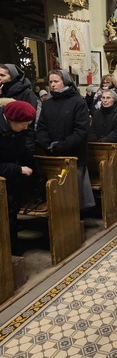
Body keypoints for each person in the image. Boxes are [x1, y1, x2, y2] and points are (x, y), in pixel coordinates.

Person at [36, 69, 95, 211]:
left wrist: (61, 145)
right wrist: (46, 143)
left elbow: (81, 130)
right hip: (52, 154)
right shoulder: (47, 103)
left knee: (73, 194)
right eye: (50, 82)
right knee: (55, 192)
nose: (53, 85)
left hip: (73, 154)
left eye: (56, 81)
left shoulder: (78, 102)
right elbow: (41, 127)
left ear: (66, 82)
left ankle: (74, 221)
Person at [0, 100, 36, 254]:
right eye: (24, 124)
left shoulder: (18, 130)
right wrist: (18, 169)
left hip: (12, 182)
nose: (26, 127)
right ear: (12, 121)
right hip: (4, 179)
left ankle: (13, 251)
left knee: (11, 216)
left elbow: (22, 152)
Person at [89, 89, 117, 191]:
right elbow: (92, 130)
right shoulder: (97, 113)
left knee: (116, 177)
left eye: (108, 98)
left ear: (113, 99)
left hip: (115, 149)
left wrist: (103, 142)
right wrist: (95, 142)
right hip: (99, 149)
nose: (105, 100)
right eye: (103, 98)